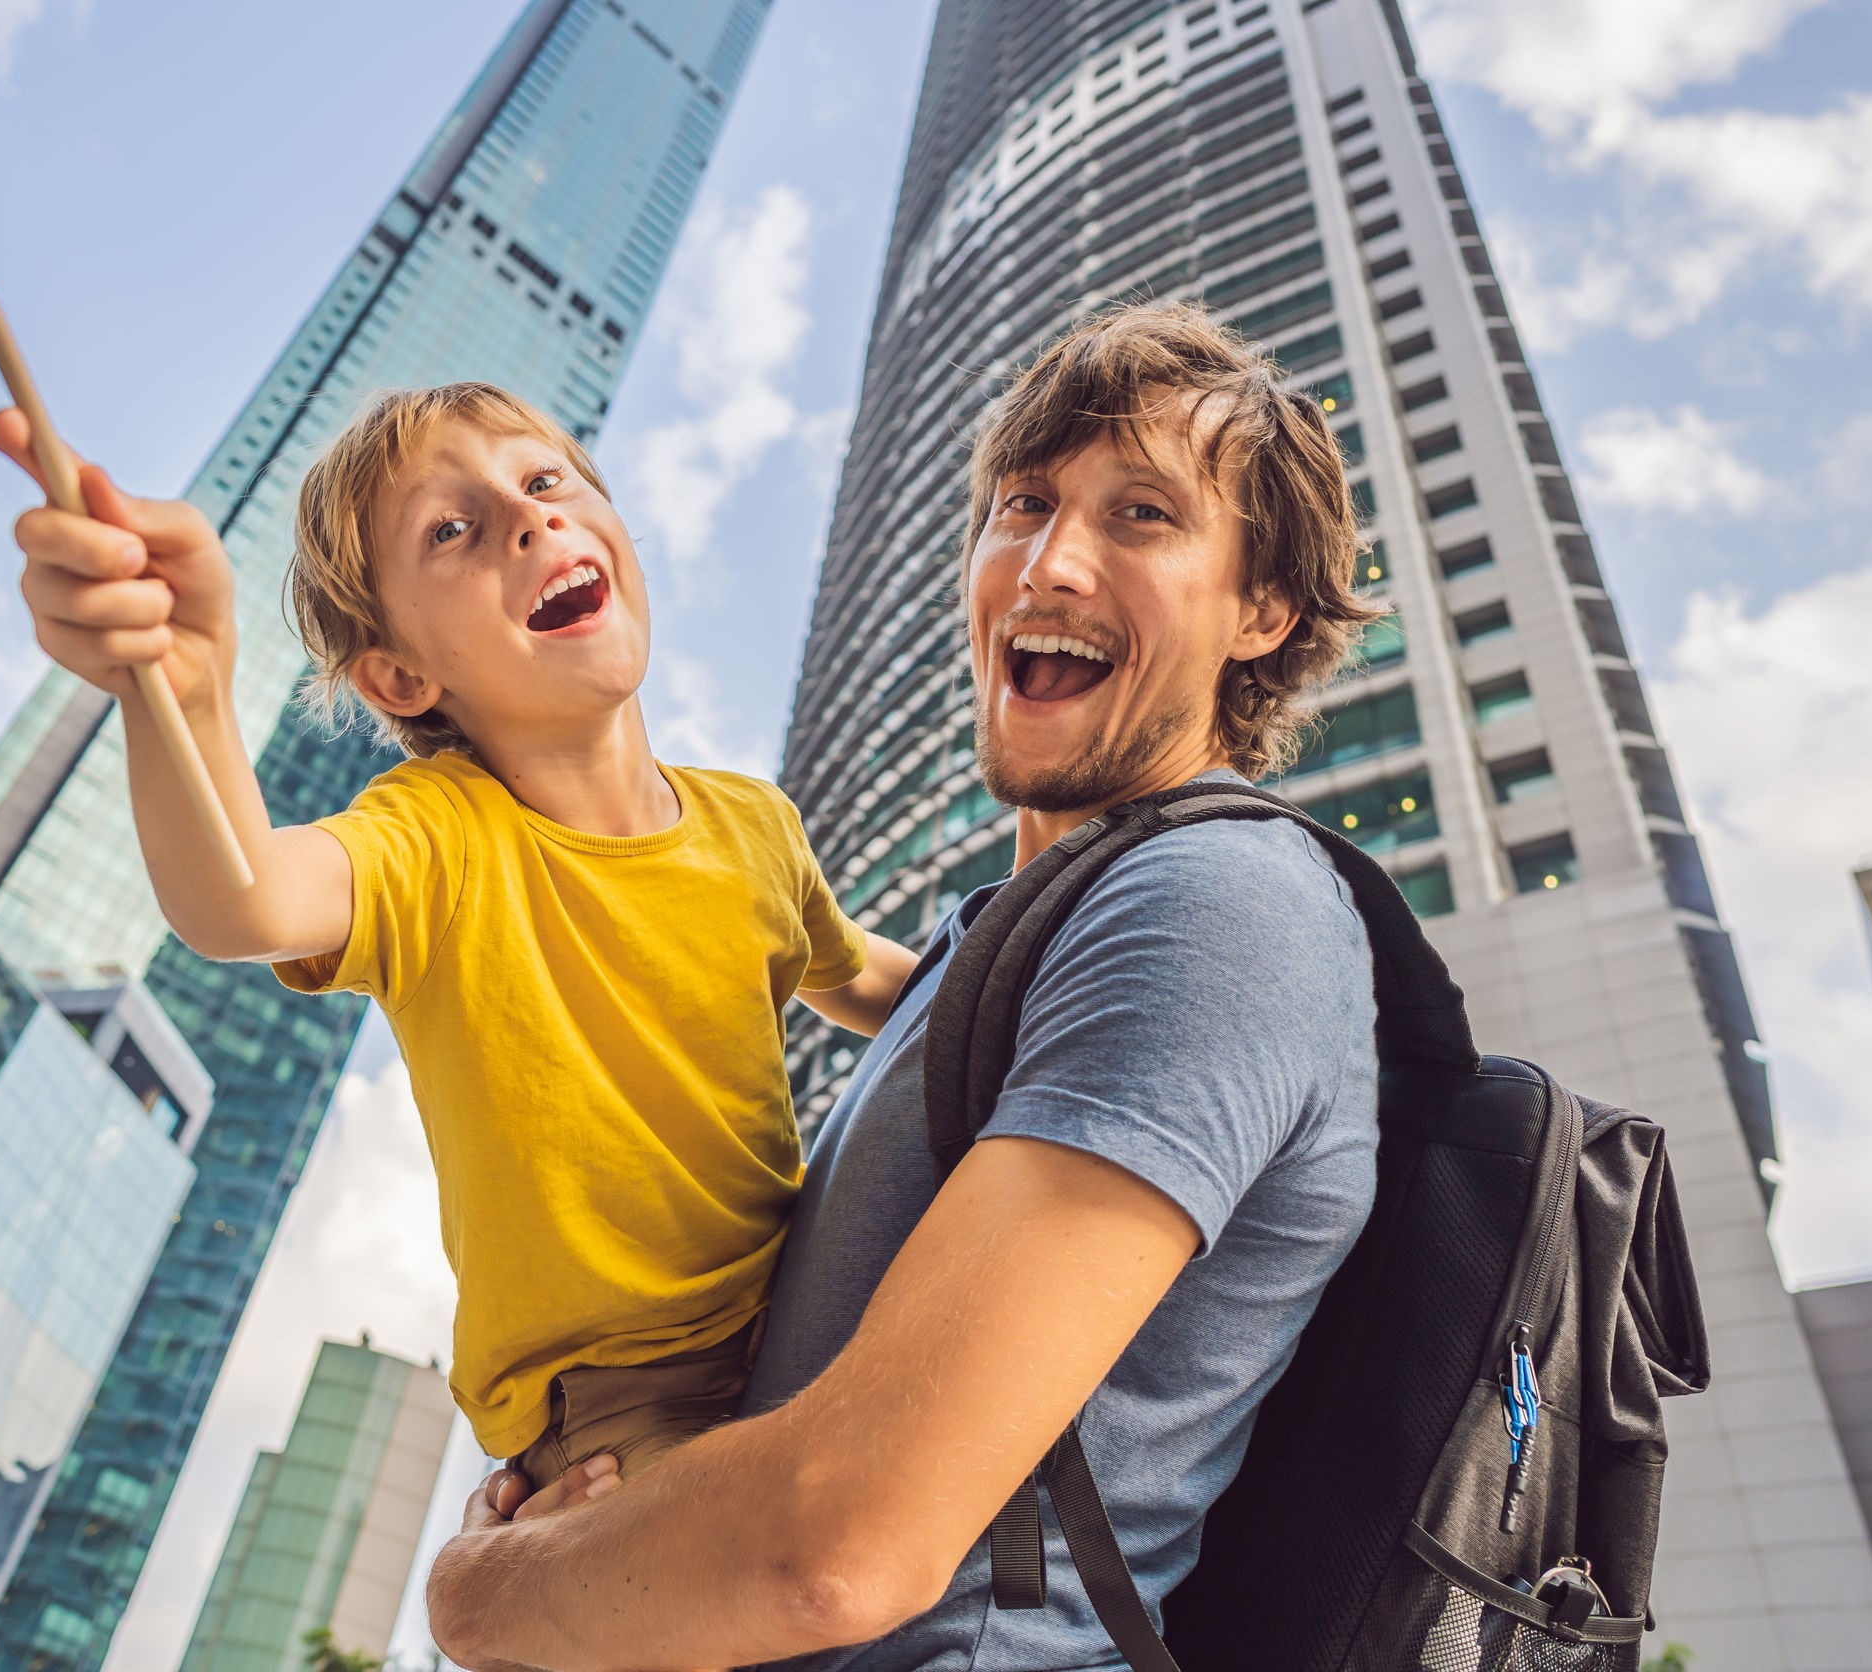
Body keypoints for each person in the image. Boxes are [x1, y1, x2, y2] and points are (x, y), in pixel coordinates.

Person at [423, 299, 1387, 1670]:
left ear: (1263, 609)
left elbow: (838, 1546)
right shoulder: (995, 951)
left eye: (1142, 517)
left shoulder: (1214, 906)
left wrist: (479, 1596)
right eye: (1023, 504)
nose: (1050, 562)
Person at [0, 381, 916, 1497]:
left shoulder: (756, 823)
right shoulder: (439, 836)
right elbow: (243, 900)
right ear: (400, 675)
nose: (528, 519)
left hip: (811, 1316)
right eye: (453, 529)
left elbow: (875, 981)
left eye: (544, 482)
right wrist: (183, 695)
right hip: (623, 1412)